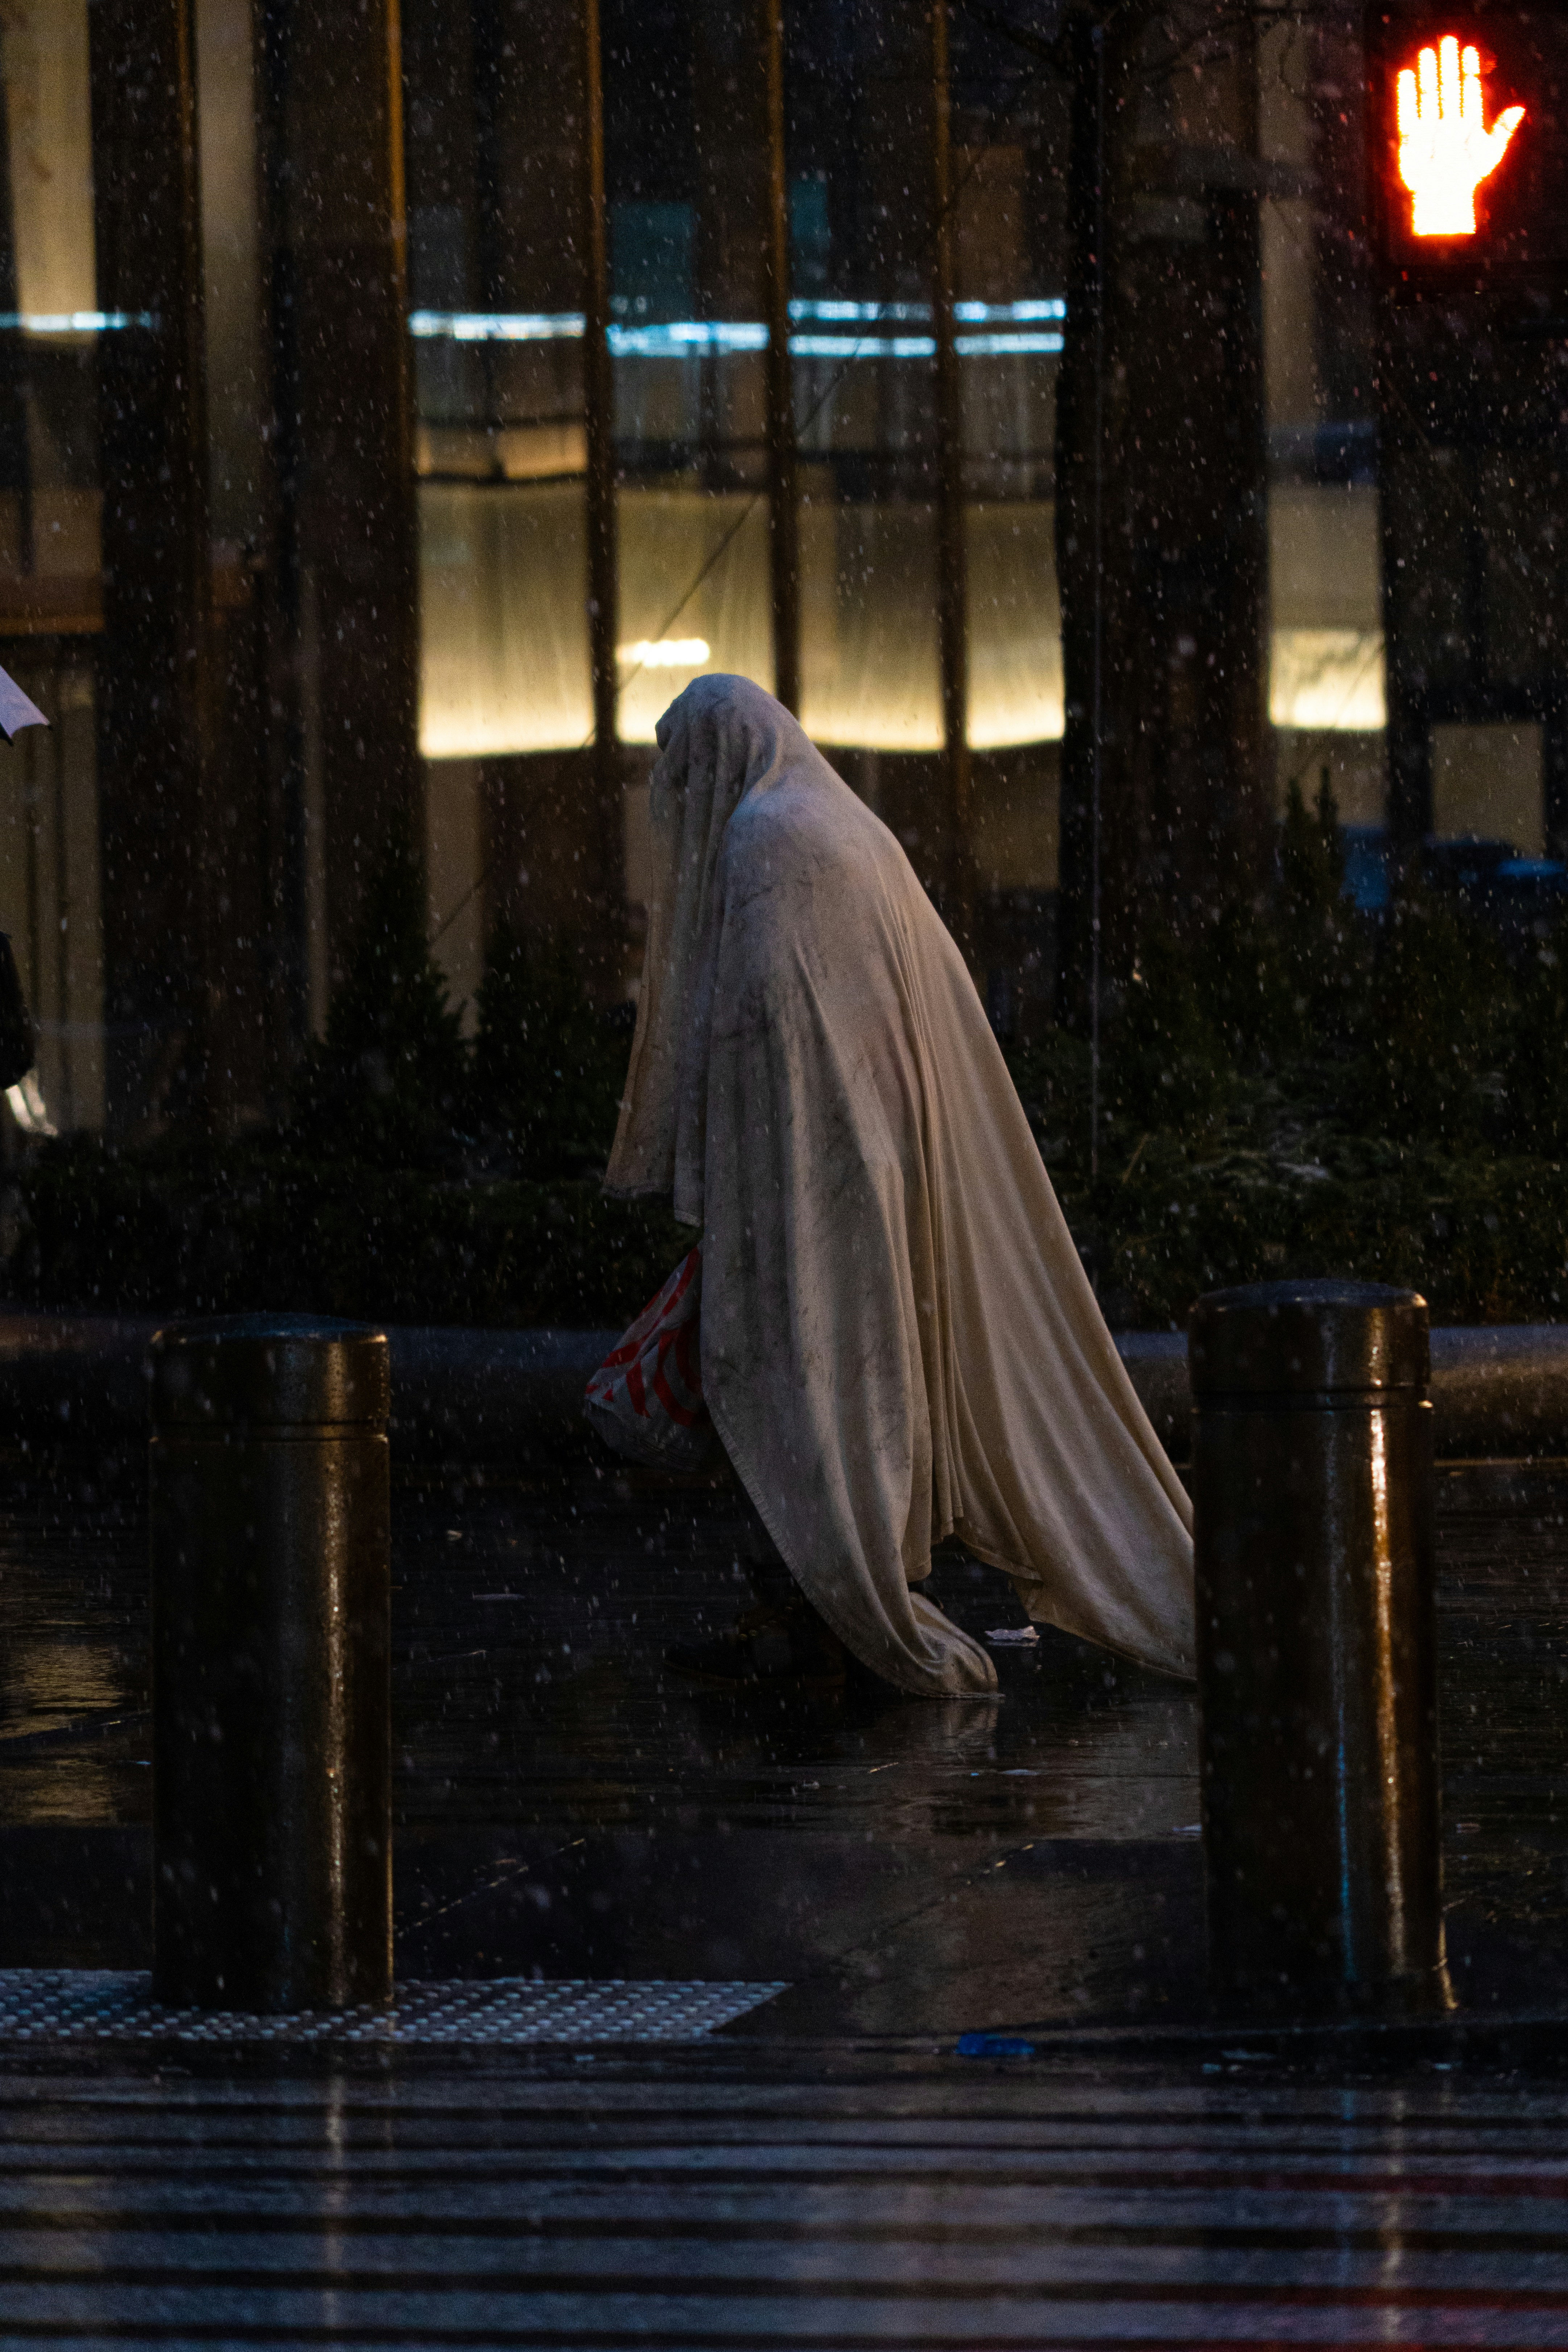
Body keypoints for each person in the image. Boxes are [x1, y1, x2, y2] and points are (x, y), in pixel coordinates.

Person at [586, 673, 1193, 1699]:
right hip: (876, 1165)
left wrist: (749, 1185)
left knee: (807, 1404)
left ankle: (835, 1617)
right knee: (858, 1402)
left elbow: (764, 1037)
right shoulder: (843, 824)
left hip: (816, 1183)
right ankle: (826, 1607)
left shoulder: (768, 841)